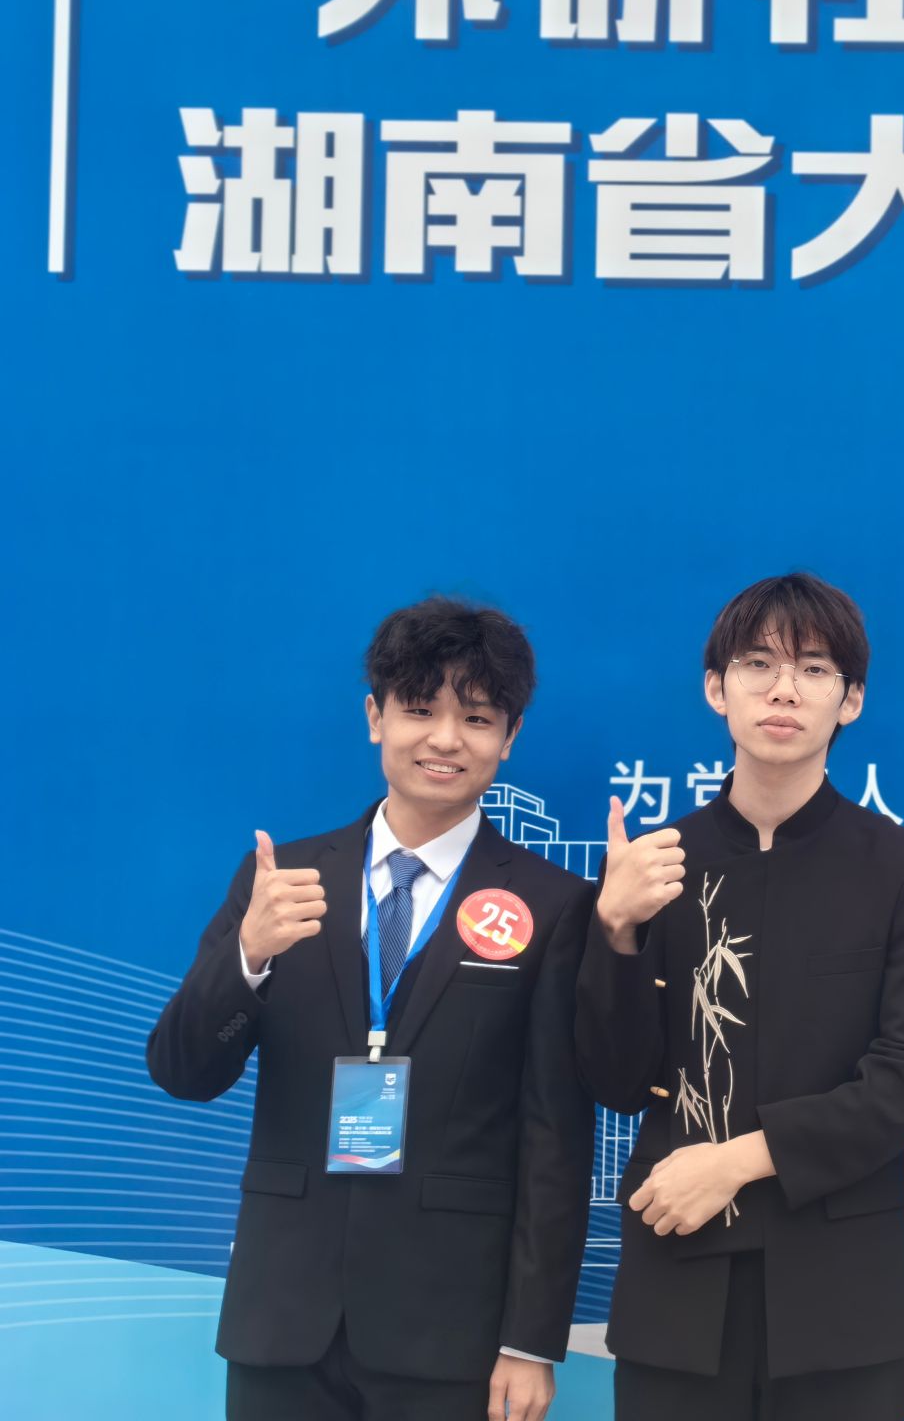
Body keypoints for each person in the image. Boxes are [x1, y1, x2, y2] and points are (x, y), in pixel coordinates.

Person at [146, 597, 594, 1421]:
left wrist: (531, 1340)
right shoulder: (283, 881)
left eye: (477, 718)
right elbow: (183, 1070)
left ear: (510, 736)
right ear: (375, 718)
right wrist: (249, 955)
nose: (445, 739)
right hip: (284, 1315)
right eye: (419, 710)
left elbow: (554, 1137)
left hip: (450, 1329)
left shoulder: (553, 904)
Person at [576, 571, 904, 1421]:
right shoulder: (656, 865)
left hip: (840, 1300)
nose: (784, 689)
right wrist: (614, 932)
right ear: (717, 689)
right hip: (676, 1287)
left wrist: (737, 1160)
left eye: (814, 669)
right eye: (758, 664)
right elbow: (613, 1081)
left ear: (850, 700)